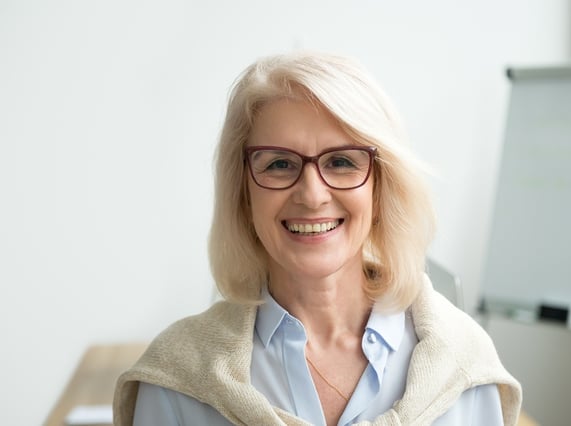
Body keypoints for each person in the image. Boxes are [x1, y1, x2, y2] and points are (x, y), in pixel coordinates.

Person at [113, 51, 522, 426]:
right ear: (243, 193)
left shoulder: (465, 368)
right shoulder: (177, 382)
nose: (311, 195)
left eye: (341, 161)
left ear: (381, 187)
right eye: (279, 164)